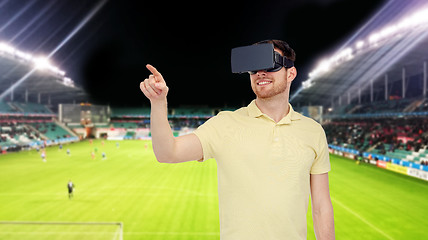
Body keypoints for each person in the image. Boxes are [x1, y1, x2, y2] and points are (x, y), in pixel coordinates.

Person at [140, 39, 335, 240]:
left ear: (291, 73)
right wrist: (158, 102)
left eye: (271, 64)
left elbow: (321, 206)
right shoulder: (225, 123)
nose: (261, 72)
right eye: (254, 67)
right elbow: (167, 153)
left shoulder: (313, 131)